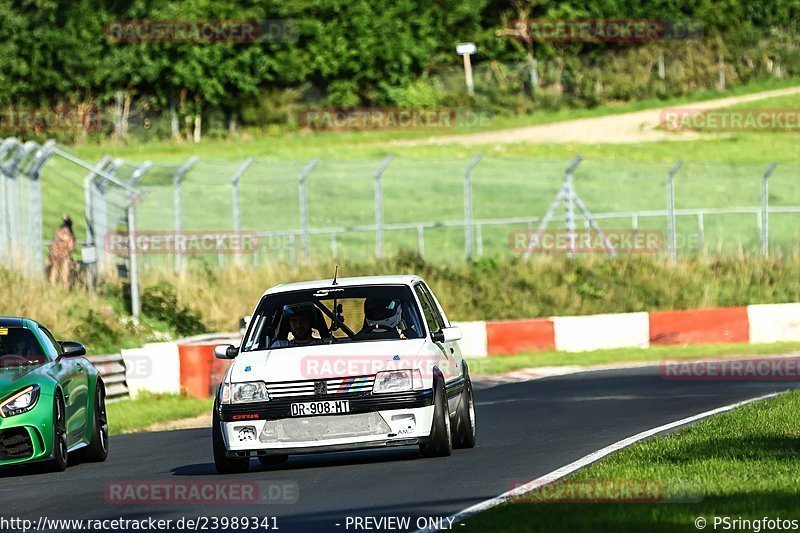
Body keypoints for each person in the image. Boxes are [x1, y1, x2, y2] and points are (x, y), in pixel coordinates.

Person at [48, 214, 76, 286]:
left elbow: (53, 243)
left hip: (55, 254)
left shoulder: (58, 231)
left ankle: (52, 286)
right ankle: (65, 287)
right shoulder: (69, 234)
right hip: (64, 254)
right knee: (64, 273)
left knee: (54, 270)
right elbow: (71, 247)